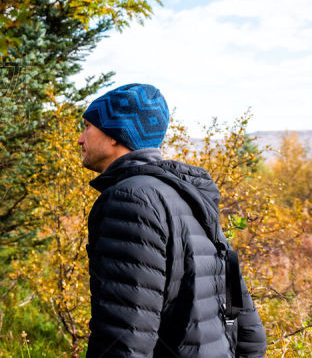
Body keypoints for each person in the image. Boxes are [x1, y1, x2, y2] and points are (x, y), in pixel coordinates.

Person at [79, 83, 266, 358]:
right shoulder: (192, 198)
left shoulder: (129, 199)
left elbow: (124, 338)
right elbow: (245, 321)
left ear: (114, 135)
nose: (81, 139)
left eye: (87, 127)